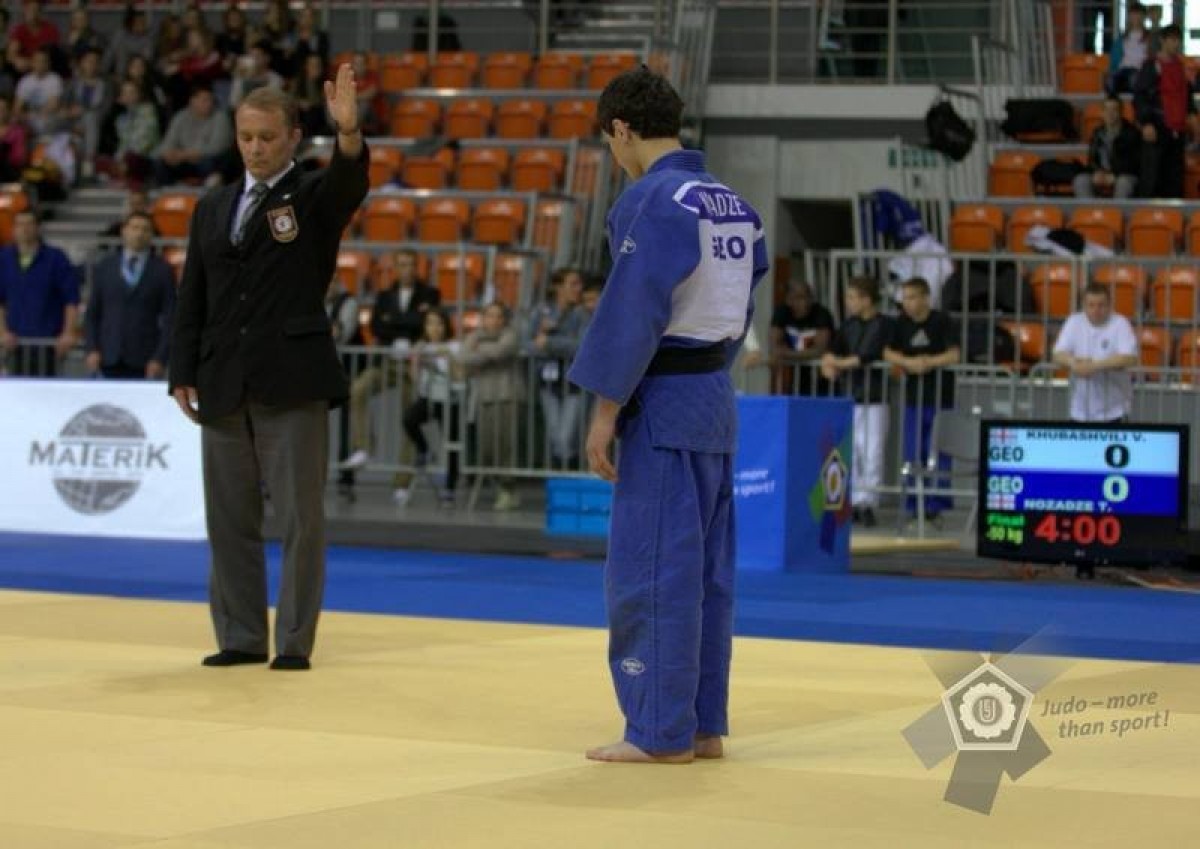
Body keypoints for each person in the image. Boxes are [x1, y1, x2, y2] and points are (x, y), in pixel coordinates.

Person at [567, 68, 768, 763]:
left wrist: (605, 410)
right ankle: (701, 724)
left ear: (621, 129)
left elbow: (633, 310)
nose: (614, 155)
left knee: (649, 569)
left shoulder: (652, 200)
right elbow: (743, 301)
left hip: (661, 401)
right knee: (706, 574)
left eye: (610, 142)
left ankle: (657, 731)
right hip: (712, 396)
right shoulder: (735, 204)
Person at [168, 68, 369, 670]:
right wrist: (182, 371)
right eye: (246, 137)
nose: (255, 148)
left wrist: (349, 133)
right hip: (223, 380)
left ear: (293, 138)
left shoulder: (312, 196)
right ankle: (241, 635)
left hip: (292, 379)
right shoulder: (213, 206)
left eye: (267, 138)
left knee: (301, 520)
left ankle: (295, 641)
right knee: (228, 519)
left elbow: (348, 182)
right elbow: (193, 295)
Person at [340, 248, 441, 483]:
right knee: (357, 390)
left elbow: (425, 323)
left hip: (414, 366)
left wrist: (393, 321)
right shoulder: (384, 296)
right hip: (386, 361)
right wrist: (408, 323)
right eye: (402, 264)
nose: (407, 269)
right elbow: (376, 326)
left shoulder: (430, 294)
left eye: (411, 264)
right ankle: (364, 446)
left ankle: (402, 480)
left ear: (417, 267)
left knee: (409, 418)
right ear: (395, 268)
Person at [883, 276, 960, 527]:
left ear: (926, 298)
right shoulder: (900, 323)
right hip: (913, 399)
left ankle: (935, 506)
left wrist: (928, 363)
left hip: (940, 397)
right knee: (913, 451)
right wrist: (908, 362)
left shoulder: (942, 321)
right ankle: (913, 503)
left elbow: (954, 354)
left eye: (913, 297)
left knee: (938, 451)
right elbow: (887, 351)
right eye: (905, 298)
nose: (908, 303)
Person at [820, 276, 892, 527]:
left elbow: (868, 355)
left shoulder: (883, 324)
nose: (849, 302)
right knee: (854, 450)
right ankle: (856, 498)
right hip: (850, 396)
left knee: (873, 451)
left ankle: (869, 501)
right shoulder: (848, 325)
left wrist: (838, 363)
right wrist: (829, 363)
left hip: (875, 397)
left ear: (867, 299)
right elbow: (833, 350)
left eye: (852, 297)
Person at [84, 211, 174, 379]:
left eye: (145, 229)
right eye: (135, 228)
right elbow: (93, 313)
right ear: (123, 231)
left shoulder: (162, 270)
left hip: (145, 360)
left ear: (151, 235)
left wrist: (160, 358)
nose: (139, 233)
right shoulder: (105, 267)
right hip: (107, 356)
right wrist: (91, 349)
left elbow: (170, 318)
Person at [459, 301, 524, 511]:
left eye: (498, 316)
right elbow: (464, 356)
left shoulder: (511, 334)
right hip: (484, 397)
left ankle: (508, 489)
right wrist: (485, 351)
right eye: (489, 315)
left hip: (506, 395)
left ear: (504, 319)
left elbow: (502, 351)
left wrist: (480, 350)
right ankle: (499, 485)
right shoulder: (474, 336)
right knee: (486, 446)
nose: (494, 320)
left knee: (505, 445)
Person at [0, 209, 79, 377]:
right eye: (20, 224)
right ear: (13, 229)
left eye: (29, 224)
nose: (24, 229)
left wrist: (68, 333)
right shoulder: (4, 258)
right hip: (15, 345)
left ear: (38, 228)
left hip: (49, 344)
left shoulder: (56, 258)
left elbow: (71, 300)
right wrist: (3, 332)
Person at [1051, 283, 1139, 423]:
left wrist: (1094, 366)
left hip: (1115, 411)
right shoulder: (1074, 322)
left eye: (1101, 305)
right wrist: (1073, 363)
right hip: (1079, 410)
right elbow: (1057, 354)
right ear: (1083, 305)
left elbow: (1129, 358)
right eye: (1091, 305)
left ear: (1109, 305)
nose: (1096, 310)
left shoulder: (1120, 323)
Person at [400, 308, 461, 507]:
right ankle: (424, 449)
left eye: (439, 323)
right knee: (409, 419)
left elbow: (459, 375)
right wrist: (416, 360)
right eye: (430, 323)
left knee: (451, 443)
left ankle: (450, 488)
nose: (435, 328)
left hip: (450, 399)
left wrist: (448, 357)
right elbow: (414, 378)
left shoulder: (454, 346)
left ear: (446, 326)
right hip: (428, 396)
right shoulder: (422, 347)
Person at [529, 267, 588, 469]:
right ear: (558, 287)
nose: (578, 289)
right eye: (573, 284)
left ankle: (569, 472)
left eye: (579, 284)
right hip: (548, 382)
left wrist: (549, 343)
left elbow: (581, 346)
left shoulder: (582, 314)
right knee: (555, 435)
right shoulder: (541, 312)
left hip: (574, 383)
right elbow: (526, 344)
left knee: (566, 435)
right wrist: (544, 341)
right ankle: (560, 476)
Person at [1133, 24, 1195, 199]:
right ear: (1163, 41)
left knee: (1174, 181)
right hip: (1157, 128)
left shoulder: (1181, 67)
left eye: (1178, 40)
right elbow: (1140, 96)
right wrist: (1146, 123)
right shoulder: (1151, 66)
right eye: (1172, 40)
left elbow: (1186, 95)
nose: (1176, 44)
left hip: (1177, 130)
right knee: (1152, 179)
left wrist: (1191, 115)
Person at [152, 86, 232, 187]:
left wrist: (186, 154)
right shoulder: (181, 117)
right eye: (205, 100)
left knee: (212, 162)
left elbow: (218, 147)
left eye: (211, 100)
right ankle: (169, 190)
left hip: (205, 158)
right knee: (159, 161)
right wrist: (170, 154)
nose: (209, 104)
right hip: (184, 160)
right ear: (192, 101)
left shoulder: (221, 117)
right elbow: (169, 142)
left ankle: (209, 186)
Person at [769, 279, 833, 395]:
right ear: (788, 299)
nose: (804, 303)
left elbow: (820, 350)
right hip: (792, 378)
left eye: (807, 297)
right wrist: (786, 354)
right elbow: (775, 347)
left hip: (820, 378)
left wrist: (786, 354)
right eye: (798, 298)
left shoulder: (822, 314)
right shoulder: (781, 313)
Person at [1073, 95, 1141, 199]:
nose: (1110, 113)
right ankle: (1091, 209)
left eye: (1114, 110)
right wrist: (1097, 172)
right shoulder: (1097, 133)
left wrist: (1114, 175)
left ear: (1121, 112)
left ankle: (1117, 209)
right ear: (1102, 113)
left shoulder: (1132, 134)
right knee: (1081, 180)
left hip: (1124, 174)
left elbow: (1135, 164)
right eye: (1107, 110)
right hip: (1102, 173)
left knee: (1123, 183)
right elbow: (1092, 160)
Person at [1106, 3, 1151, 95]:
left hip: (1139, 71)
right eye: (1133, 15)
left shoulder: (1150, 38)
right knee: (1110, 80)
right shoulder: (1121, 39)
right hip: (1122, 70)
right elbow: (1114, 62)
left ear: (1144, 17)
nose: (1136, 18)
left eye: (1139, 15)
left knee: (1134, 78)